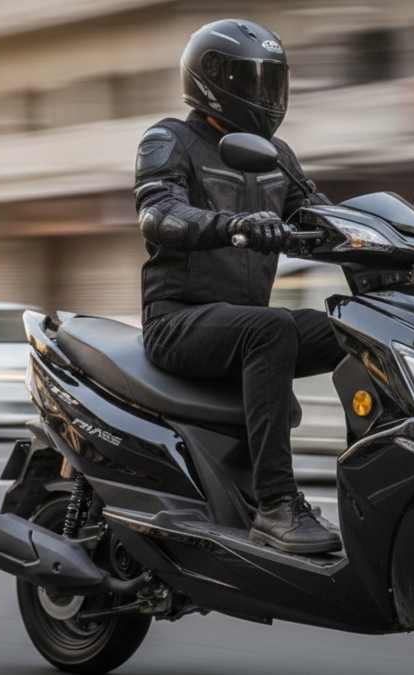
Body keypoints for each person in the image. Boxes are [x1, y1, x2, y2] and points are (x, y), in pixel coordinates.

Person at [133, 19, 345, 555]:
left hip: (241, 327)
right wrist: (232, 224)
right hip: (178, 323)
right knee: (271, 328)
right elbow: (158, 216)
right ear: (211, 81)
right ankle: (276, 504)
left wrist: (398, 233)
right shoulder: (169, 140)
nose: (263, 95)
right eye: (250, 82)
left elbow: (322, 218)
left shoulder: (277, 156)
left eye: (270, 82)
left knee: (357, 328)